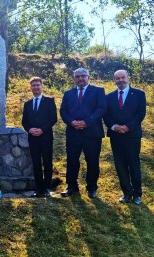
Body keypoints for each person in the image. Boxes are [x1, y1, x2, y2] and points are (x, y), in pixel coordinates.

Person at [60, 68, 106, 198]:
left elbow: (101, 109)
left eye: (83, 76)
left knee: (92, 161)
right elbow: (63, 111)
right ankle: (71, 186)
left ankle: (92, 188)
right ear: (74, 78)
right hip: (73, 132)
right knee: (72, 160)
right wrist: (71, 122)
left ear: (88, 77)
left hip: (92, 133)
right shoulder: (68, 93)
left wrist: (87, 122)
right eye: (77, 76)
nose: (80, 78)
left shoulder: (98, 91)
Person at [103, 70, 146, 205]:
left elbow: (140, 114)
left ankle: (137, 194)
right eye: (117, 78)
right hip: (116, 136)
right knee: (120, 165)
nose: (120, 80)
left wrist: (128, 127)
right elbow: (106, 115)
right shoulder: (109, 97)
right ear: (114, 80)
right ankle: (126, 193)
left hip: (132, 135)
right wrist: (114, 126)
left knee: (133, 163)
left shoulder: (139, 94)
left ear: (128, 78)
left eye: (123, 77)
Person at [21, 77, 57, 198]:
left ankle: (46, 188)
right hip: (33, 138)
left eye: (38, 85)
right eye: (33, 85)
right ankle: (38, 189)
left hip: (46, 136)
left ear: (42, 86)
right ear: (30, 88)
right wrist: (29, 129)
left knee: (47, 163)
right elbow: (24, 121)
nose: (36, 87)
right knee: (36, 163)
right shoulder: (27, 104)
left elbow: (53, 119)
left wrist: (42, 129)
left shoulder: (49, 101)